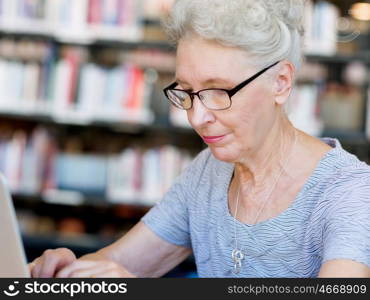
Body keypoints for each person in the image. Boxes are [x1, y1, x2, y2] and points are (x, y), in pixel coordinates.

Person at [29, 0, 370, 278]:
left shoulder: (349, 193)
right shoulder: (209, 171)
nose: (196, 117)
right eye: (188, 92)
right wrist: (68, 272)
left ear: (280, 82)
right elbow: (122, 263)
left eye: (219, 91)